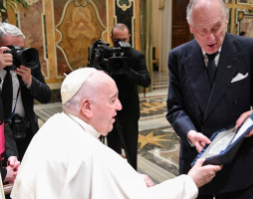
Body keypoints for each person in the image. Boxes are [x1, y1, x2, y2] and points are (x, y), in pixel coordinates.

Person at [11, 68, 222, 199]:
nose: (119, 107)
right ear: (87, 107)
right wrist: (191, 181)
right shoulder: (93, 154)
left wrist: (127, 179)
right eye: (112, 100)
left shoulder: (52, 126)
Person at [166, 0, 253, 198]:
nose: (211, 37)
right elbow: (175, 108)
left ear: (226, 20)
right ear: (190, 27)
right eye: (202, 30)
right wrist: (190, 133)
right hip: (197, 165)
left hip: (240, 165)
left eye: (216, 28)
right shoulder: (178, 57)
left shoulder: (249, 49)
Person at [0, 23, 51, 161]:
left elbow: (46, 96)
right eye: (11, 49)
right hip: (2, 136)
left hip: (26, 131)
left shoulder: (28, 62)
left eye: (20, 48)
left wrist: (29, 80)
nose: (18, 53)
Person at [106, 23, 151, 170]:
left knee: (131, 152)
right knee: (113, 152)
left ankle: (133, 182)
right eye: (117, 40)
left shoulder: (136, 56)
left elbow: (146, 80)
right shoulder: (106, 54)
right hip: (109, 111)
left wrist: (127, 70)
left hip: (129, 112)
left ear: (129, 37)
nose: (121, 44)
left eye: (125, 39)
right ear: (112, 38)